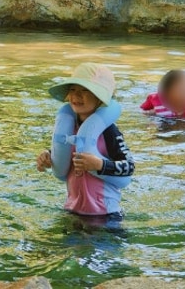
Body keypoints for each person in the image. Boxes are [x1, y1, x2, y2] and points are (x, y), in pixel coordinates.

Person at [36, 63, 135, 227]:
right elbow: (62, 155)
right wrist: (47, 156)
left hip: (105, 214)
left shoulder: (109, 131)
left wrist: (100, 165)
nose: (76, 96)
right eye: (73, 90)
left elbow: (129, 166)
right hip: (72, 210)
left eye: (84, 91)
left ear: (99, 98)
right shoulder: (68, 128)